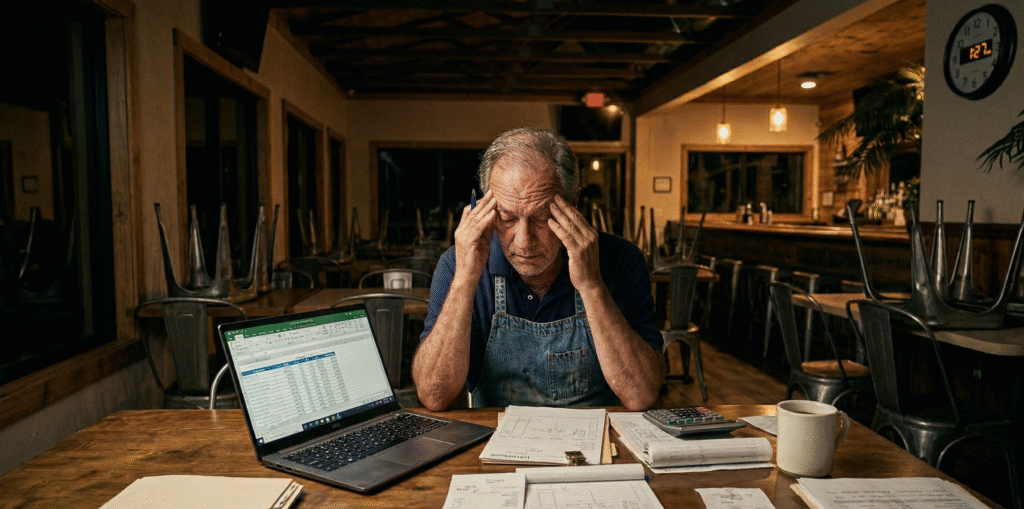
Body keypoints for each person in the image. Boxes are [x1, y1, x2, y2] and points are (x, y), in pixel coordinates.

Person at [412, 127, 664, 411]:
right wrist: (464, 280)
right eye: (506, 218)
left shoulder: (622, 260)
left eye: (542, 218)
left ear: (574, 204)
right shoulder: (457, 264)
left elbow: (641, 394)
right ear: (483, 208)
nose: (524, 241)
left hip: (598, 444)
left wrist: (592, 286)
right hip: (497, 443)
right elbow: (434, 395)